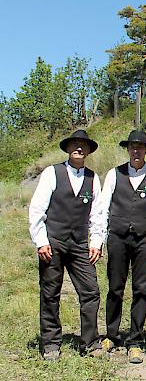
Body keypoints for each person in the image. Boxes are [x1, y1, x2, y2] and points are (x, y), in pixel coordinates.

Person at [28, 129, 104, 360]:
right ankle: (51, 344)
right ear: (68, 149)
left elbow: (98, 214)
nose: (79, 148)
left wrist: (97, 242)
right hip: (54, 242)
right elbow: (37, 209)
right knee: (50, 293)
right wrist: (41, 241)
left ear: (89, 150)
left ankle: (90, 343)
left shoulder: (93, 178)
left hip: (80, 244)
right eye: (75, 144)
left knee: (91, 291)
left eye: (83, 145)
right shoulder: (53, 173)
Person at [100, 130, 146, 363]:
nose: (136, 150)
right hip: (118, 237)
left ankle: (136, 341)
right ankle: (111, 334)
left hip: (144, 239)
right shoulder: (113, 174)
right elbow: (102, 207)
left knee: (141, 289)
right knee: (115, 286)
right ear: (128, 149)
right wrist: (98, 238)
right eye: (132, 147)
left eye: (140, 147)